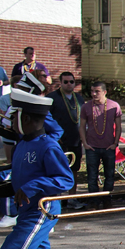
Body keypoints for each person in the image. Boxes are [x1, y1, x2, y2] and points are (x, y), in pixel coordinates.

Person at [0, 88, 74, 249]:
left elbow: (65, 179)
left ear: (26, 119)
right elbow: (18, 182)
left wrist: (33, 186)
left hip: (42, 210)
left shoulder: (47, 146)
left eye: (14, 115)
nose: (10, 120)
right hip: (26, 210)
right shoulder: (22, 144)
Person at [79, 81, 122, 208]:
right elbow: (81, 127)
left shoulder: (114, 106)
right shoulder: (86, 107)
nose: (93, 94)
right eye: (92, 91)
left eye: (97, 91)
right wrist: (85, 143)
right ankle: (94, 201)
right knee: (92, 176)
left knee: (109, 175)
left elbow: (118, 127)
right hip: (92, 146)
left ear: (104, 92)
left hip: (108, 146)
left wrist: (115, 143)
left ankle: (107, 199)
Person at [49, 72, 86, 208]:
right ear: (61, 83)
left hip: (76, 140)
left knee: (74, 169)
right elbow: (47, 119)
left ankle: (72, 198)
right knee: (58, 169)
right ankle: (56, 200)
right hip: (59, 141)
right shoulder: (53, 98)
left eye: (71, 82)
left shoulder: (79, 98)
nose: (69, 84)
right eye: (66, 82)